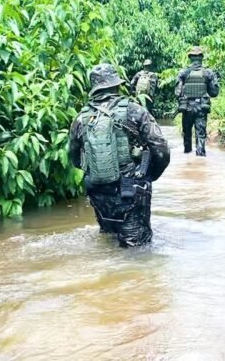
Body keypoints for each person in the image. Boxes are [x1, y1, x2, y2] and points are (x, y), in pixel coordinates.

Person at [68, 64, 170, 247]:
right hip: (130, 189)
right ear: (117, 85)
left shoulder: (81, 118)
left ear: (95, 88)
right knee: (137, 250)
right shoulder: (135, 110)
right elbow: (161, 149)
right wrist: (148, 176)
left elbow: (75, 158)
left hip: (97, 189)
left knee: (108, 240)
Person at [175, 46, 220, 156]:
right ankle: (200, 157)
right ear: (201, 58)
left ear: (190, 58)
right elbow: (214, 93)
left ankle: (187, 157)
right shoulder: (208, 73)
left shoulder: (183, 73)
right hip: (201, 108)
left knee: (187, 134)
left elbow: (177, 93)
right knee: (200, 134)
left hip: (187, 108)